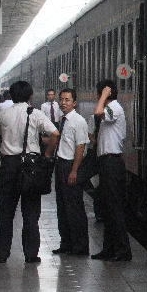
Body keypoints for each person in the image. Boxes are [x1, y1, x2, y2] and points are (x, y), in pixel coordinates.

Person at [0, 80, 59, 263]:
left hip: (9, 165)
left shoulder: (3, 114)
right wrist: (46, 155)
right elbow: (54, 134)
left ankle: (2, 253)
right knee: (31, 213)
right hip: (30, 166)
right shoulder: (35, 113)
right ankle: (30, 254)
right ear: (30, 97)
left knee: (6, 211)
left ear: (12, 96)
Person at [90, 79, 131, 261]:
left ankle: (123, 250)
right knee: (107, 208)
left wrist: (105, 96)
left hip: (112, 164)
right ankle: (109, 248)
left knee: (114, 209)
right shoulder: (112, 109)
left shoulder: (115, 107)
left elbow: (97, 112)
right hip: (106, 163)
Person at [52, 88, 90, 256]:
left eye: (67, 100)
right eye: (61, 99)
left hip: (71, 166)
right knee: (62, 207)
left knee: (74, 208)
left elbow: (80, 147)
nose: (63, 103)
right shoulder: (63, 120)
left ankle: (80, 246)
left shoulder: (78, 121)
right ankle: (66, 243)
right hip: (61, 165)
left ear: (74, 103)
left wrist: (74, 171)